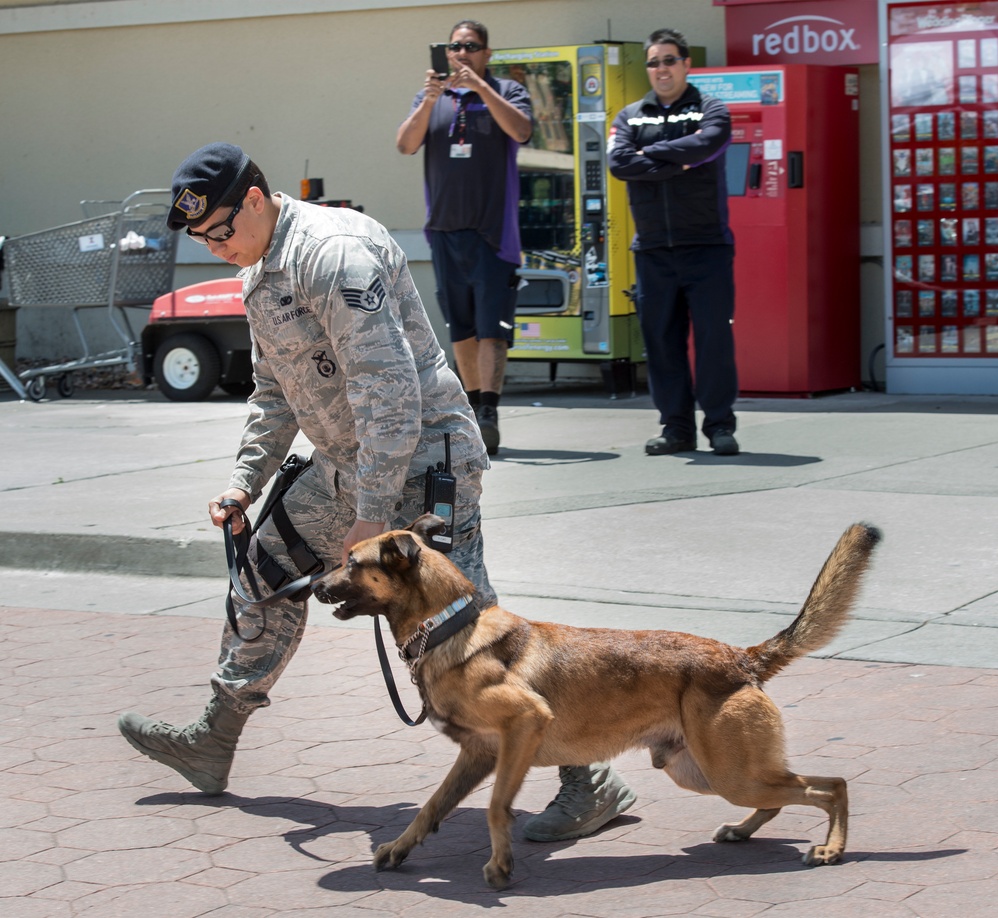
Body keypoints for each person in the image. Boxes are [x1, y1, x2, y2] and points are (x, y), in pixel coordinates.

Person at [117, 142, 633, 844]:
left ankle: (587, 779)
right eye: (202, 239)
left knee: (465, 642)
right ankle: (215, 738)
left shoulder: (335, 255)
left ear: (257, 200)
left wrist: (369, 517)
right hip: (343, 466)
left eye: (220, 232)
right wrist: (245, 483)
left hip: (420, 469)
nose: (215, 249)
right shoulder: (260, 273)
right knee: (260, 575)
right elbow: (274, 391)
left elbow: (389, 392)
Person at [396, 19, 532, 456]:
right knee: (462, 329)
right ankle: (471, 410)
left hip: (493, 235)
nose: (462, 53)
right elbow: (405, 144)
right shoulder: (431, 96)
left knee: (493, 329)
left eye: (471, 46)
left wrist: (482, 89)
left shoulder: (507, 91)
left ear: (487, 54)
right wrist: (430, 99)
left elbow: (522, 130)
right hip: (444, 232)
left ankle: (489, 411)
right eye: (455, 46)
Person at [608, 28, 740, 457]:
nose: (661, 69)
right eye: (653, 62)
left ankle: (719, 426)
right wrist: (677, 162)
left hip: (707, 247)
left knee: (714, 342)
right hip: (652, 251)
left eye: (669, 60)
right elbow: (618, 162)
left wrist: (651, 157)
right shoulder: (630, 116)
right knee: (662, 344)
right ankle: (676, 428)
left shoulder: (710, 108)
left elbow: (710, 142)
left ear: (685, 64)